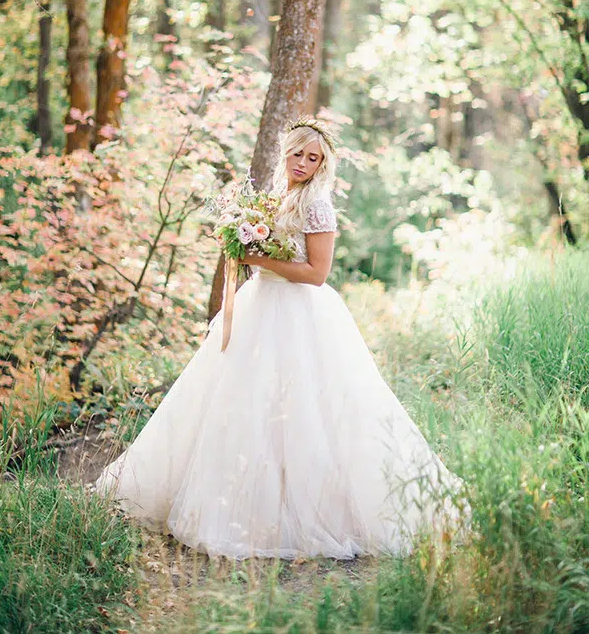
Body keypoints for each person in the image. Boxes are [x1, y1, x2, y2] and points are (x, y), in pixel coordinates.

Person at [95, 117, 466, 559]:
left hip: (300, 314)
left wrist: (258, 258)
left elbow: (316, 273)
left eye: (314, 158)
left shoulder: (318, 206)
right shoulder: (275, 198)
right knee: (241, 399)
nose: (304, 163)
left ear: (322, 164)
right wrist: (243, 245)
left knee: (305, 408)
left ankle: (307, 512)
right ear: (285, 153)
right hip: (259, 305)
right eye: (298, 154)